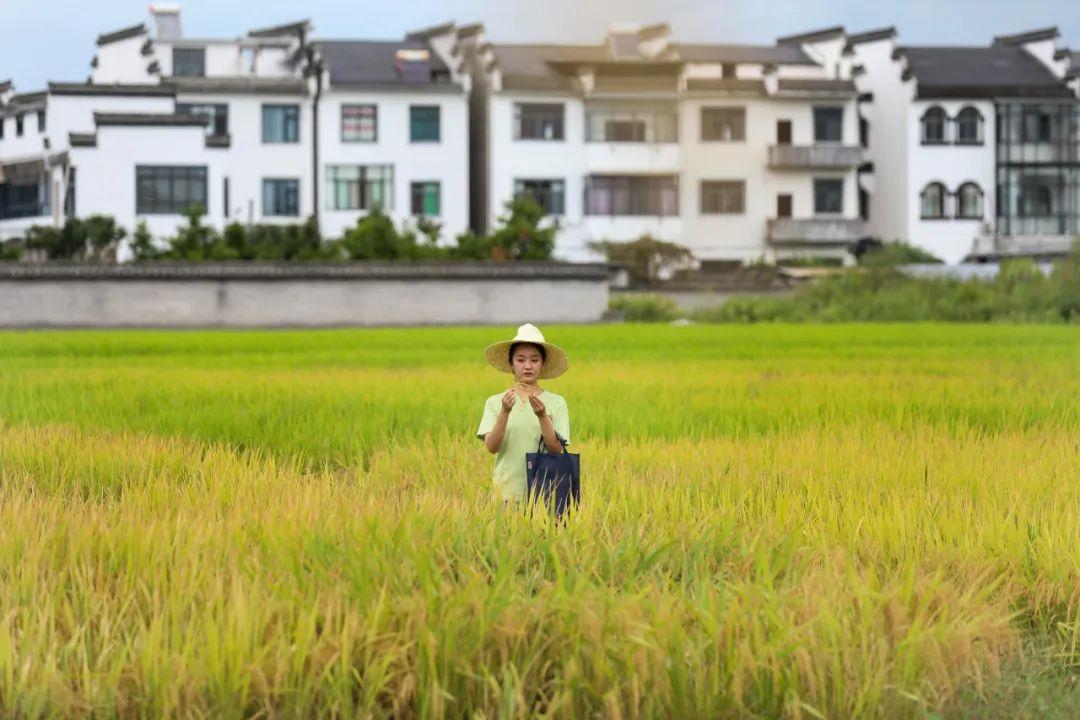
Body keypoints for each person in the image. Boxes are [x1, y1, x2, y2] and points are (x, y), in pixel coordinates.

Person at [475, 323, 570, 505]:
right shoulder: (496, 402)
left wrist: (543, 416)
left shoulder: (556, 403)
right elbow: (492, 447)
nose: (528, 366)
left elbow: (557, 451)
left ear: (542, 364)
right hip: (506, 495)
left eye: (534, 360)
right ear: (511, 364)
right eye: (520, 360)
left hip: (545, 494)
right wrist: (504, 411)